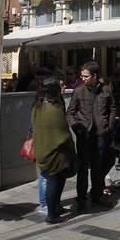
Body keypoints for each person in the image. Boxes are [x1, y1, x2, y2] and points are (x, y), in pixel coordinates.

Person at [66, 61, 115, 212]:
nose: (83, 78)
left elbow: (112, 108)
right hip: (84, 135)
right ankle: (81, 198)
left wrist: (109, 126)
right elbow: (70, 113)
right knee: (82, 169)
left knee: (97, 167)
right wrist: (76, 127)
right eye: (82, 76)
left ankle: (97, 195)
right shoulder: (79, 91)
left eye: (86, 76)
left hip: (100, 134)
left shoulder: (106, 90)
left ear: (95, 76)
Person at [32, 77, 76, 224]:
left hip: (43, 148)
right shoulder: (52, 109)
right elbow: (62, 132)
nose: (62, 89)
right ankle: (51, 214)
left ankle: (56, 207)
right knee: (53, 181)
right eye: (59, 87)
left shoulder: (38, 105)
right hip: (54, 151)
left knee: (58, 179)